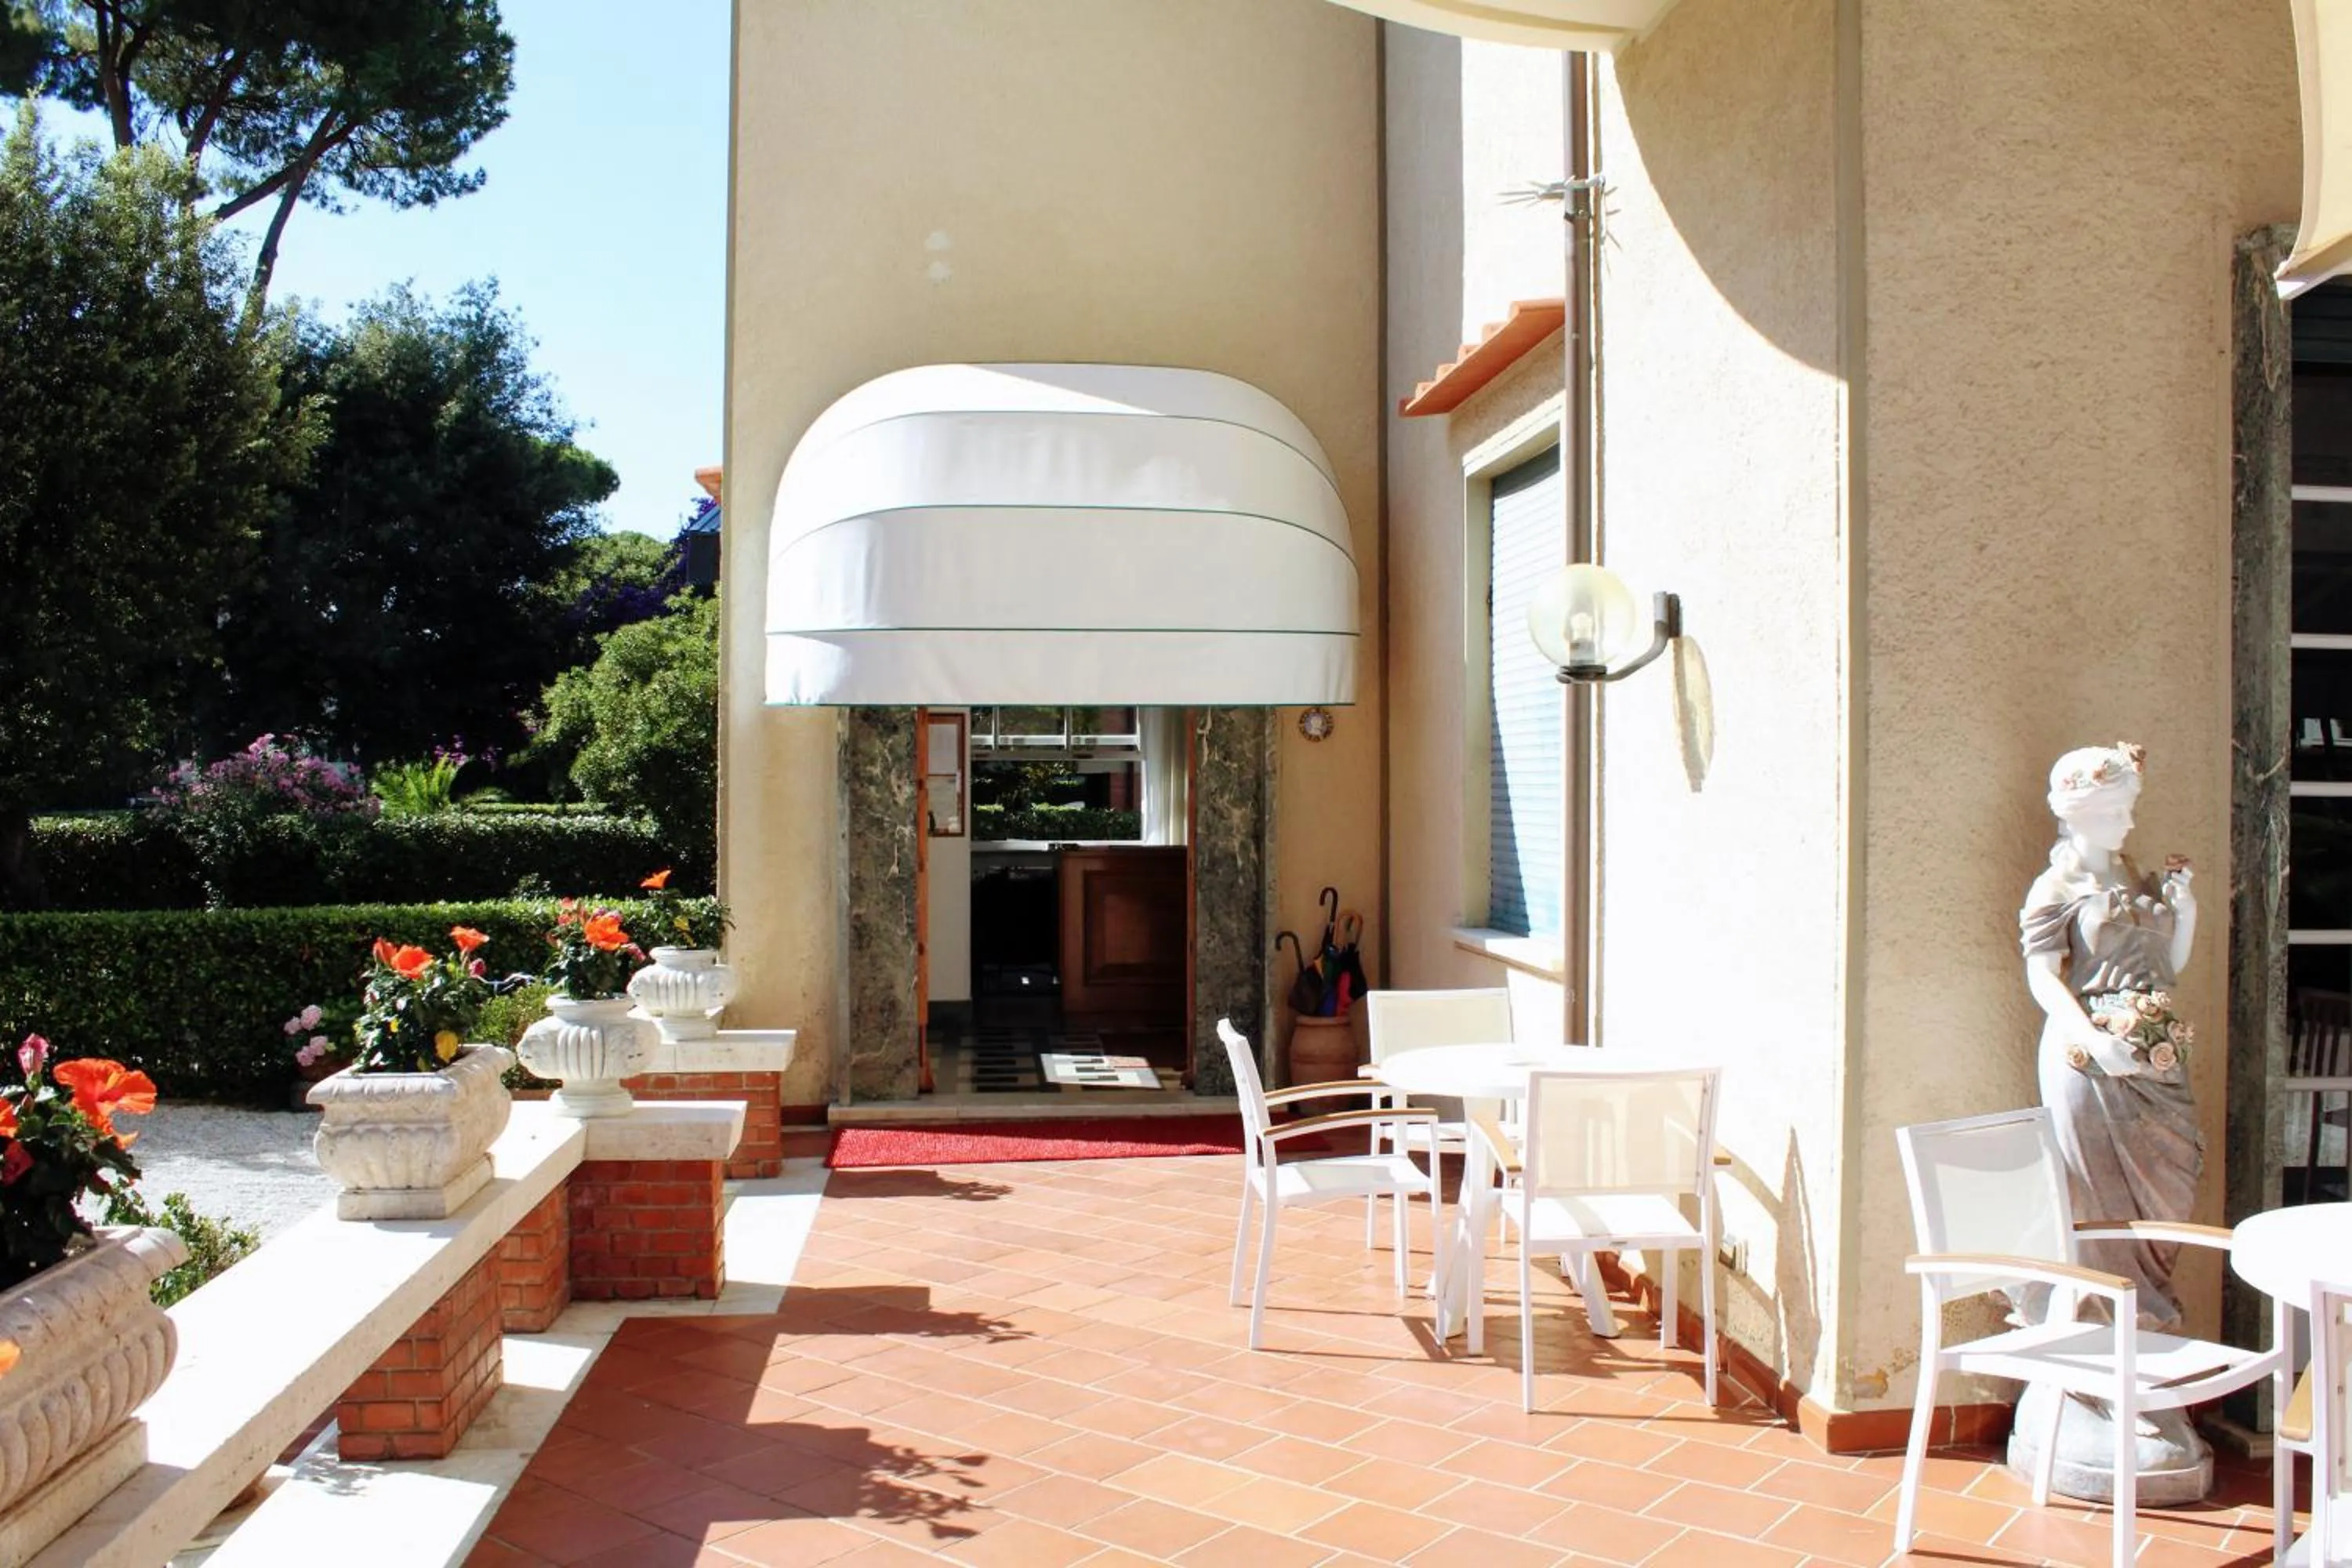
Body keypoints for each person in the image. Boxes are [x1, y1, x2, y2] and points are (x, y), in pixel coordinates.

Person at [2018, 741, 2200, 1330]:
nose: (2128, 822)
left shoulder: (2137, 879)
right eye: (2114, 811)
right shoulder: (2054, 889)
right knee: (2097, 1205)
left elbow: (2168, 967)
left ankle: (2144, 1330)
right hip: (2087, 1060)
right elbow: (2043, 978)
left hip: (2155, 1057)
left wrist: (2185, 913)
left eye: (2129, 808)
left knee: (2171, 1195)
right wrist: (2096, 1041)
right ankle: (2098, 1341)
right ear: (2078, 814)